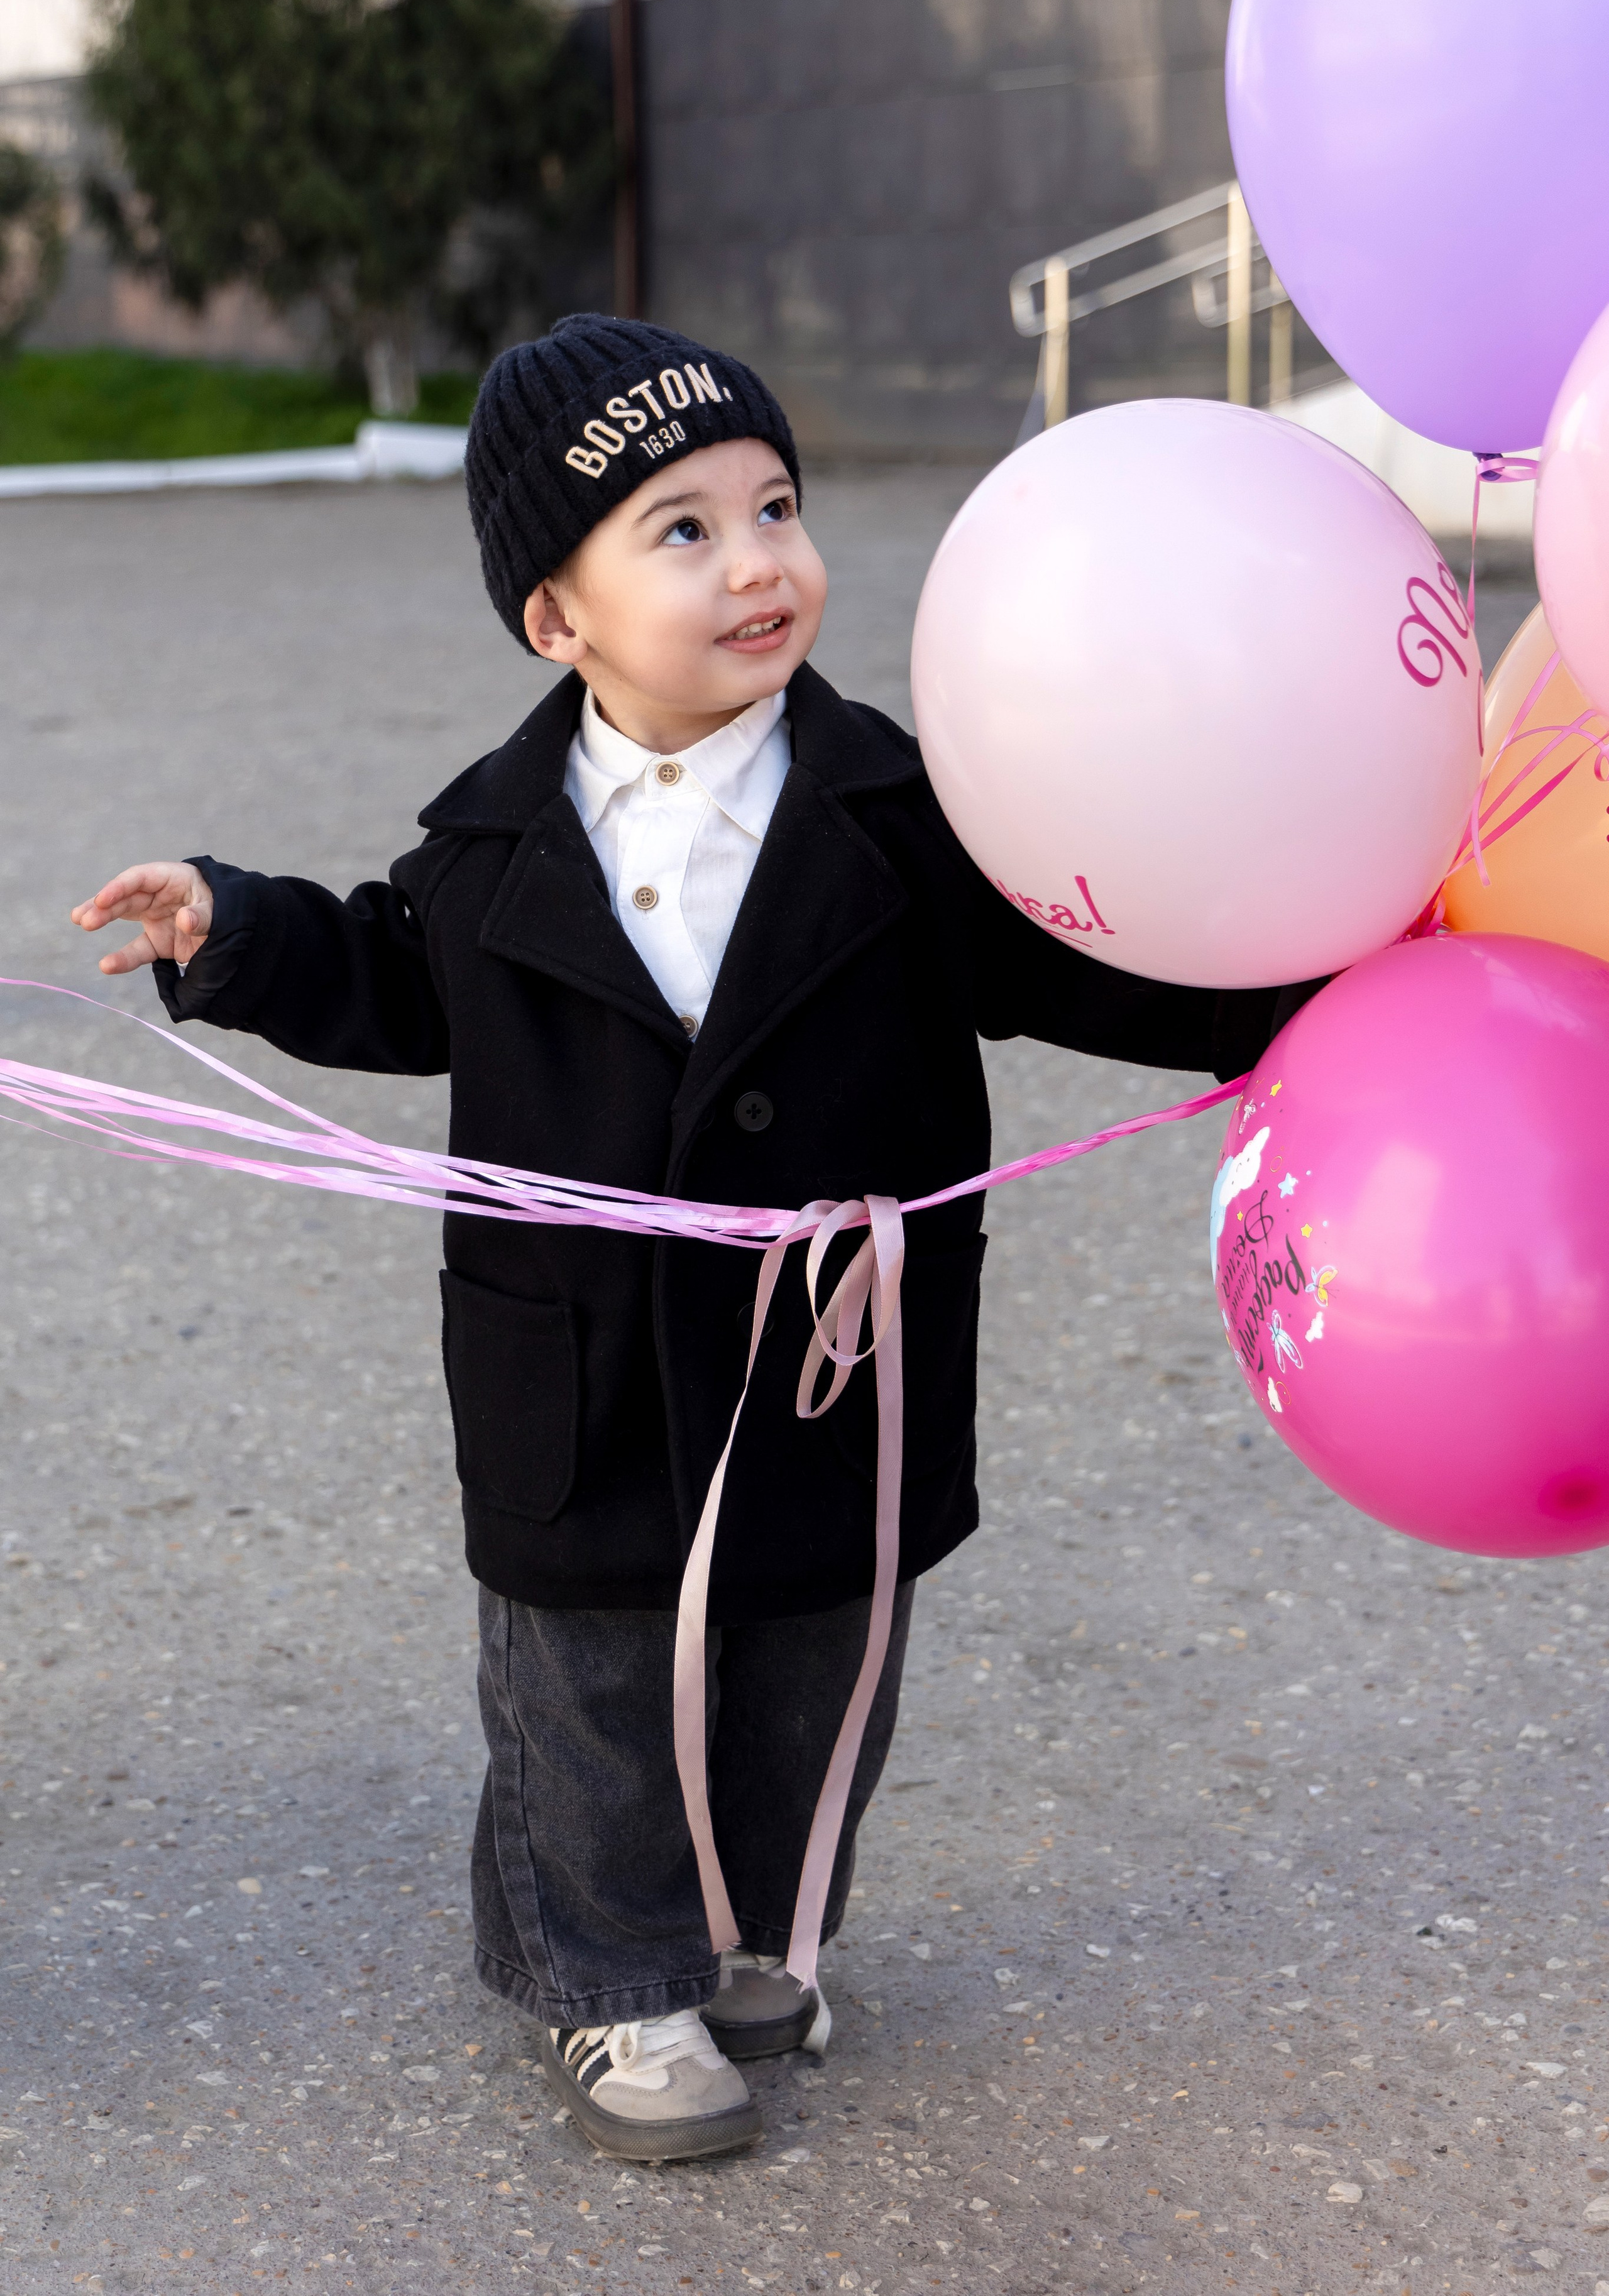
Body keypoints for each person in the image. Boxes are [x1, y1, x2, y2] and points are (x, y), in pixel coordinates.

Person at [70, 314, 1313, 2165]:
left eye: (777, 507)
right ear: (554, 620)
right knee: (591, 1687)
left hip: (833, 1357)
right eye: (680, 529)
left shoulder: (904, 820)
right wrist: (235, 932)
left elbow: (1080, 947)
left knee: (815, 1666)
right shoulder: (493, 851)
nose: (758, 563)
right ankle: (608, 1974)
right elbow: (398, 973)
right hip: (573, 1355)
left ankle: (753, 1923)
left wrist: (1287, 999)